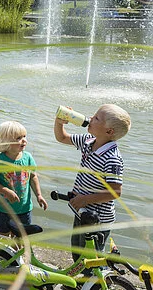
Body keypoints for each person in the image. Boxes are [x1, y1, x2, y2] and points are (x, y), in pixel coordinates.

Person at [53, 104, 131, 262]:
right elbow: (62, 137)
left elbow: (115, 192)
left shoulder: (112, 158)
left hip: (97, 219)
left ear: (109, 131)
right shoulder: (88, 141)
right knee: (77, 250)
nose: (90, 118)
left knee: (92, 259)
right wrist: (59, 122)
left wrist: (85, 199)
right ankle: (80, 284)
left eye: (96, 118)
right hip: (82, 212)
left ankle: (94, 284)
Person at [0, 121, 47, 236]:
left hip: (24, 209)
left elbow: (33, 176)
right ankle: (2, 253)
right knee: (2, 235)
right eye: (18, 138)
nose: (24, 140)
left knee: (20, 236)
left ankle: (16, 253)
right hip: (3, 209)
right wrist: (5, 190)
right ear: (6, 142)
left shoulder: (28, 157)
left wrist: (39, 195)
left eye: (24, 136)